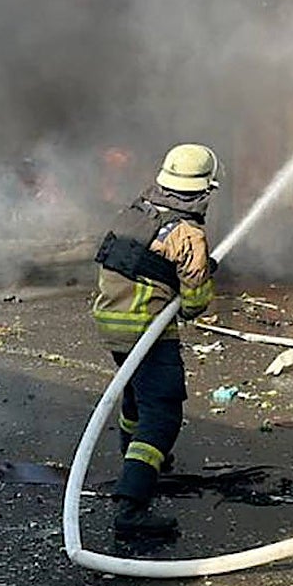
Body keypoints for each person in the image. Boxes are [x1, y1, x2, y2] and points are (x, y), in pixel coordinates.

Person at [91, 143, 219, 539]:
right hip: (147, 329)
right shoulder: (187, 234)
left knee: (135, 401)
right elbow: (193, 306)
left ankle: (143, 464)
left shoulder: (135, 212)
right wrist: (202, 275)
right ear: (203, 190)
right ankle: (132, 509)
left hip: (110, 322)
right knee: (162, 415)